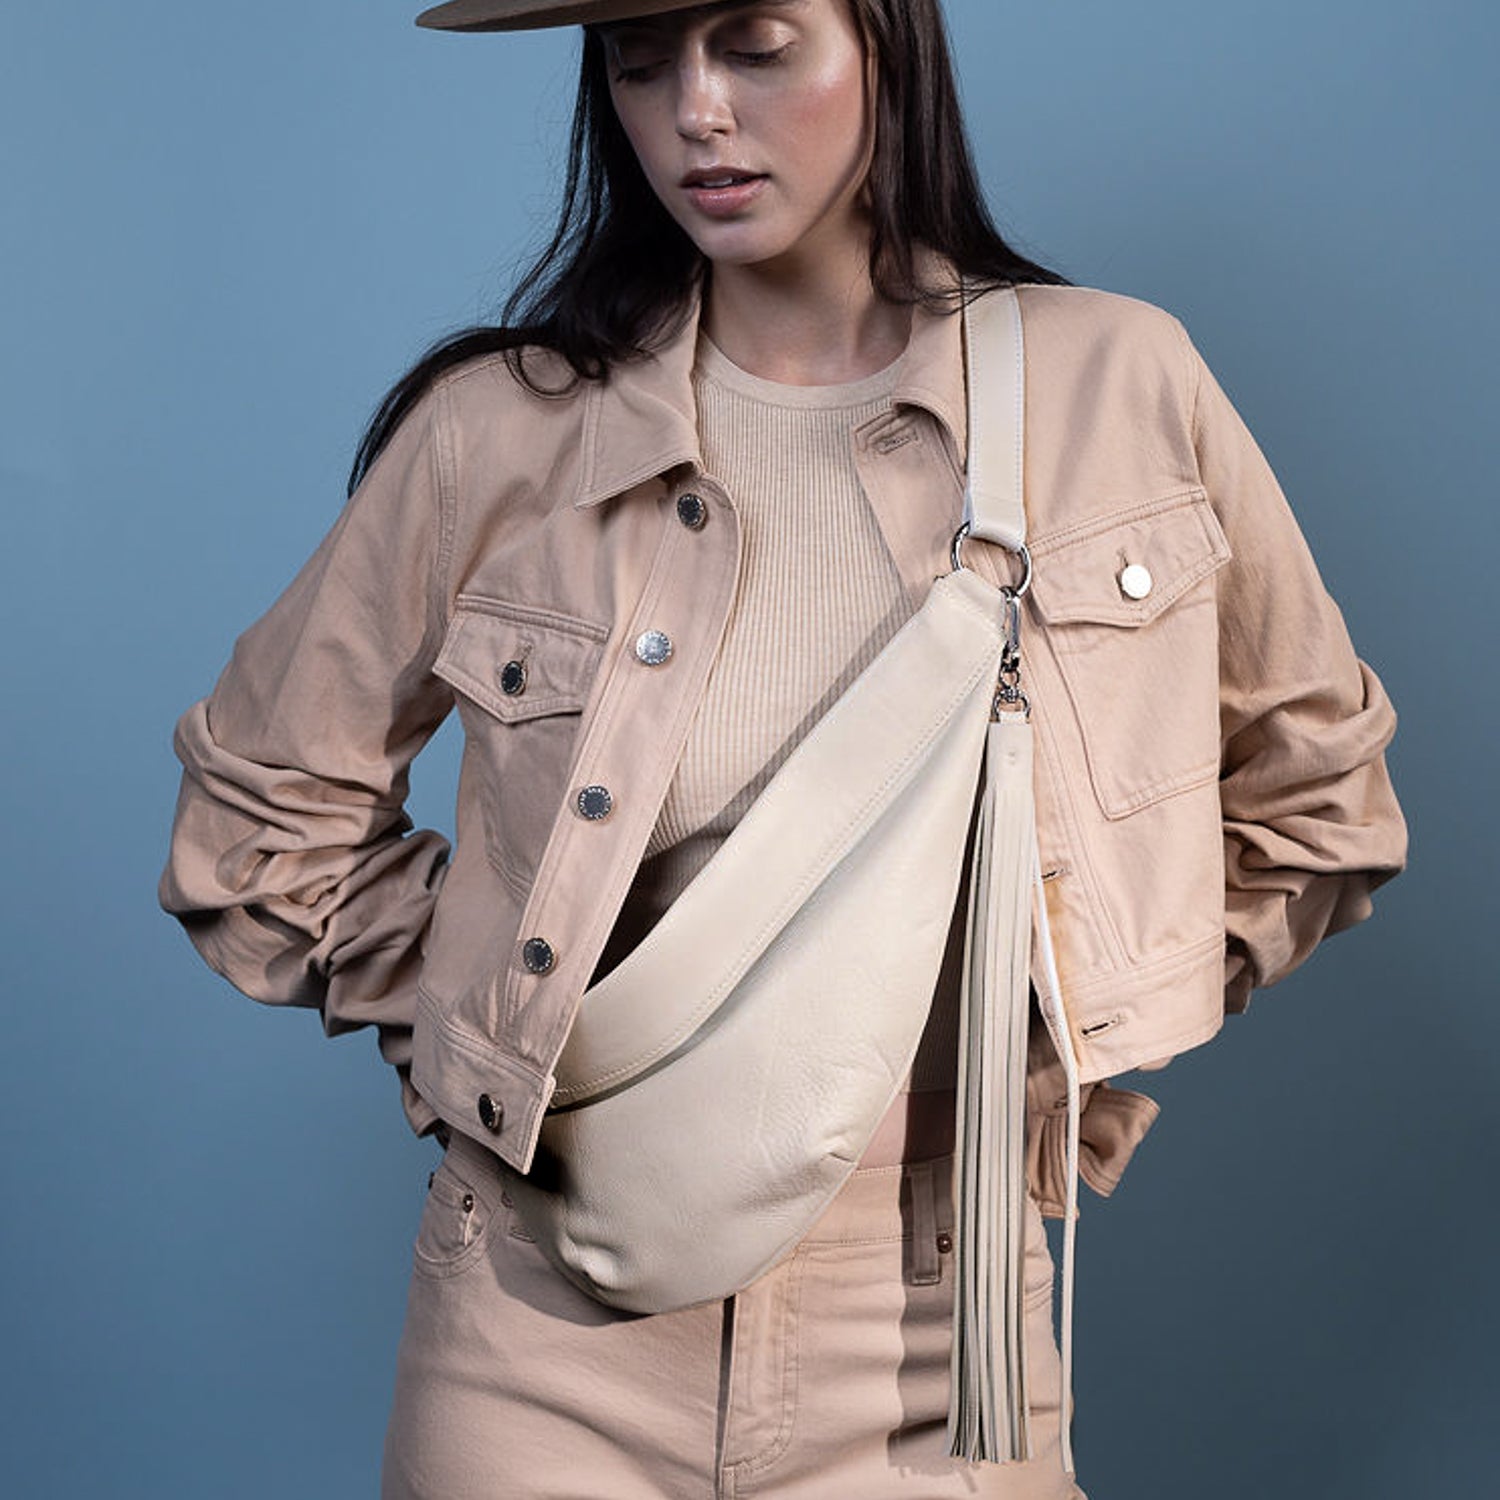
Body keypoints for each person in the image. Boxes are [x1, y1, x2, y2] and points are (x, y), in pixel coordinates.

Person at [159, 1, 1407, 1495]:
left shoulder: (1112, 387)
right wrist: (494, 1030)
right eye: (638, 57)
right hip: (537, 1339)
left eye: (754, 42)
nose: (694, 110)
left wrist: (1071, 1020)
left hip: (941, 1333)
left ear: (887, 41)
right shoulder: (499, 431)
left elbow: (1321, 802)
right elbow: (258, 827)